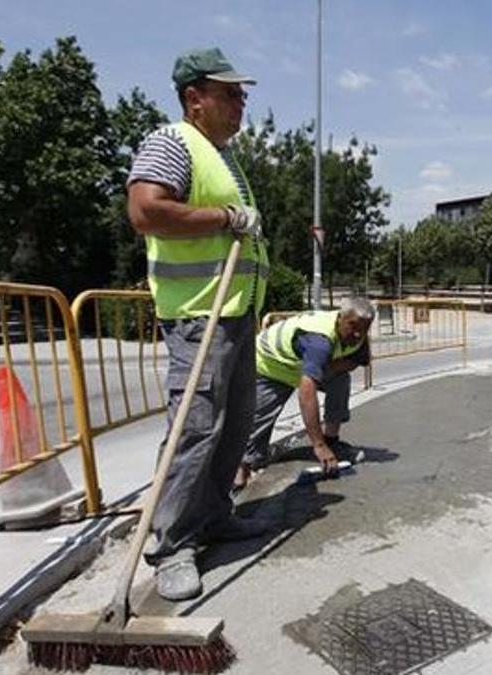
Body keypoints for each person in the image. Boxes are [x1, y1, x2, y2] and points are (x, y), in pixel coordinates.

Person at [126, 47, 270, 601]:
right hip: (199, 316)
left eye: (242, 94)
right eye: (230, 93)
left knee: (233, 425)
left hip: (234, 314)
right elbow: (145, 211)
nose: (242, 102)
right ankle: (171, 544)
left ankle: (211, 517)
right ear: (195, 99)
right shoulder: (172, 142)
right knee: (196, 426)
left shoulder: (222, 156)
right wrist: (224, 218)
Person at [234, 298, 375, 489]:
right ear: (340, 318)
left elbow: (357, 360)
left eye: (364, 329)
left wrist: (325, 370)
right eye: (352, 326)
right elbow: (306, 394)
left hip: (301, 364)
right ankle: (242, 469)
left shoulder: (358, 336)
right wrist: (318, 446)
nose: (358, 334)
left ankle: (331, 440)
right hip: (270, 365)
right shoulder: (320, 341)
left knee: (340, 380)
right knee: (259, 418)